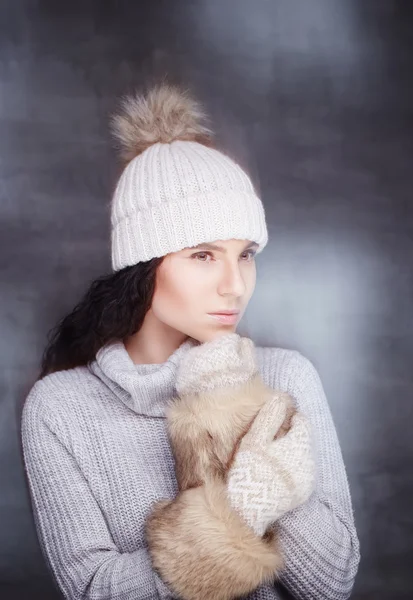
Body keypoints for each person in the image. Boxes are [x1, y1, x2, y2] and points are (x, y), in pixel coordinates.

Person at [21, 84, 360, 600]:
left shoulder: (286, 377)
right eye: (204, 255)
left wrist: (239, 411)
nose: (235, 284)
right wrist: (239, 509)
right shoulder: (61, 408)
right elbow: (95, 589)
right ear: (143, 265)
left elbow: (333, 583)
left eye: (245, 254)